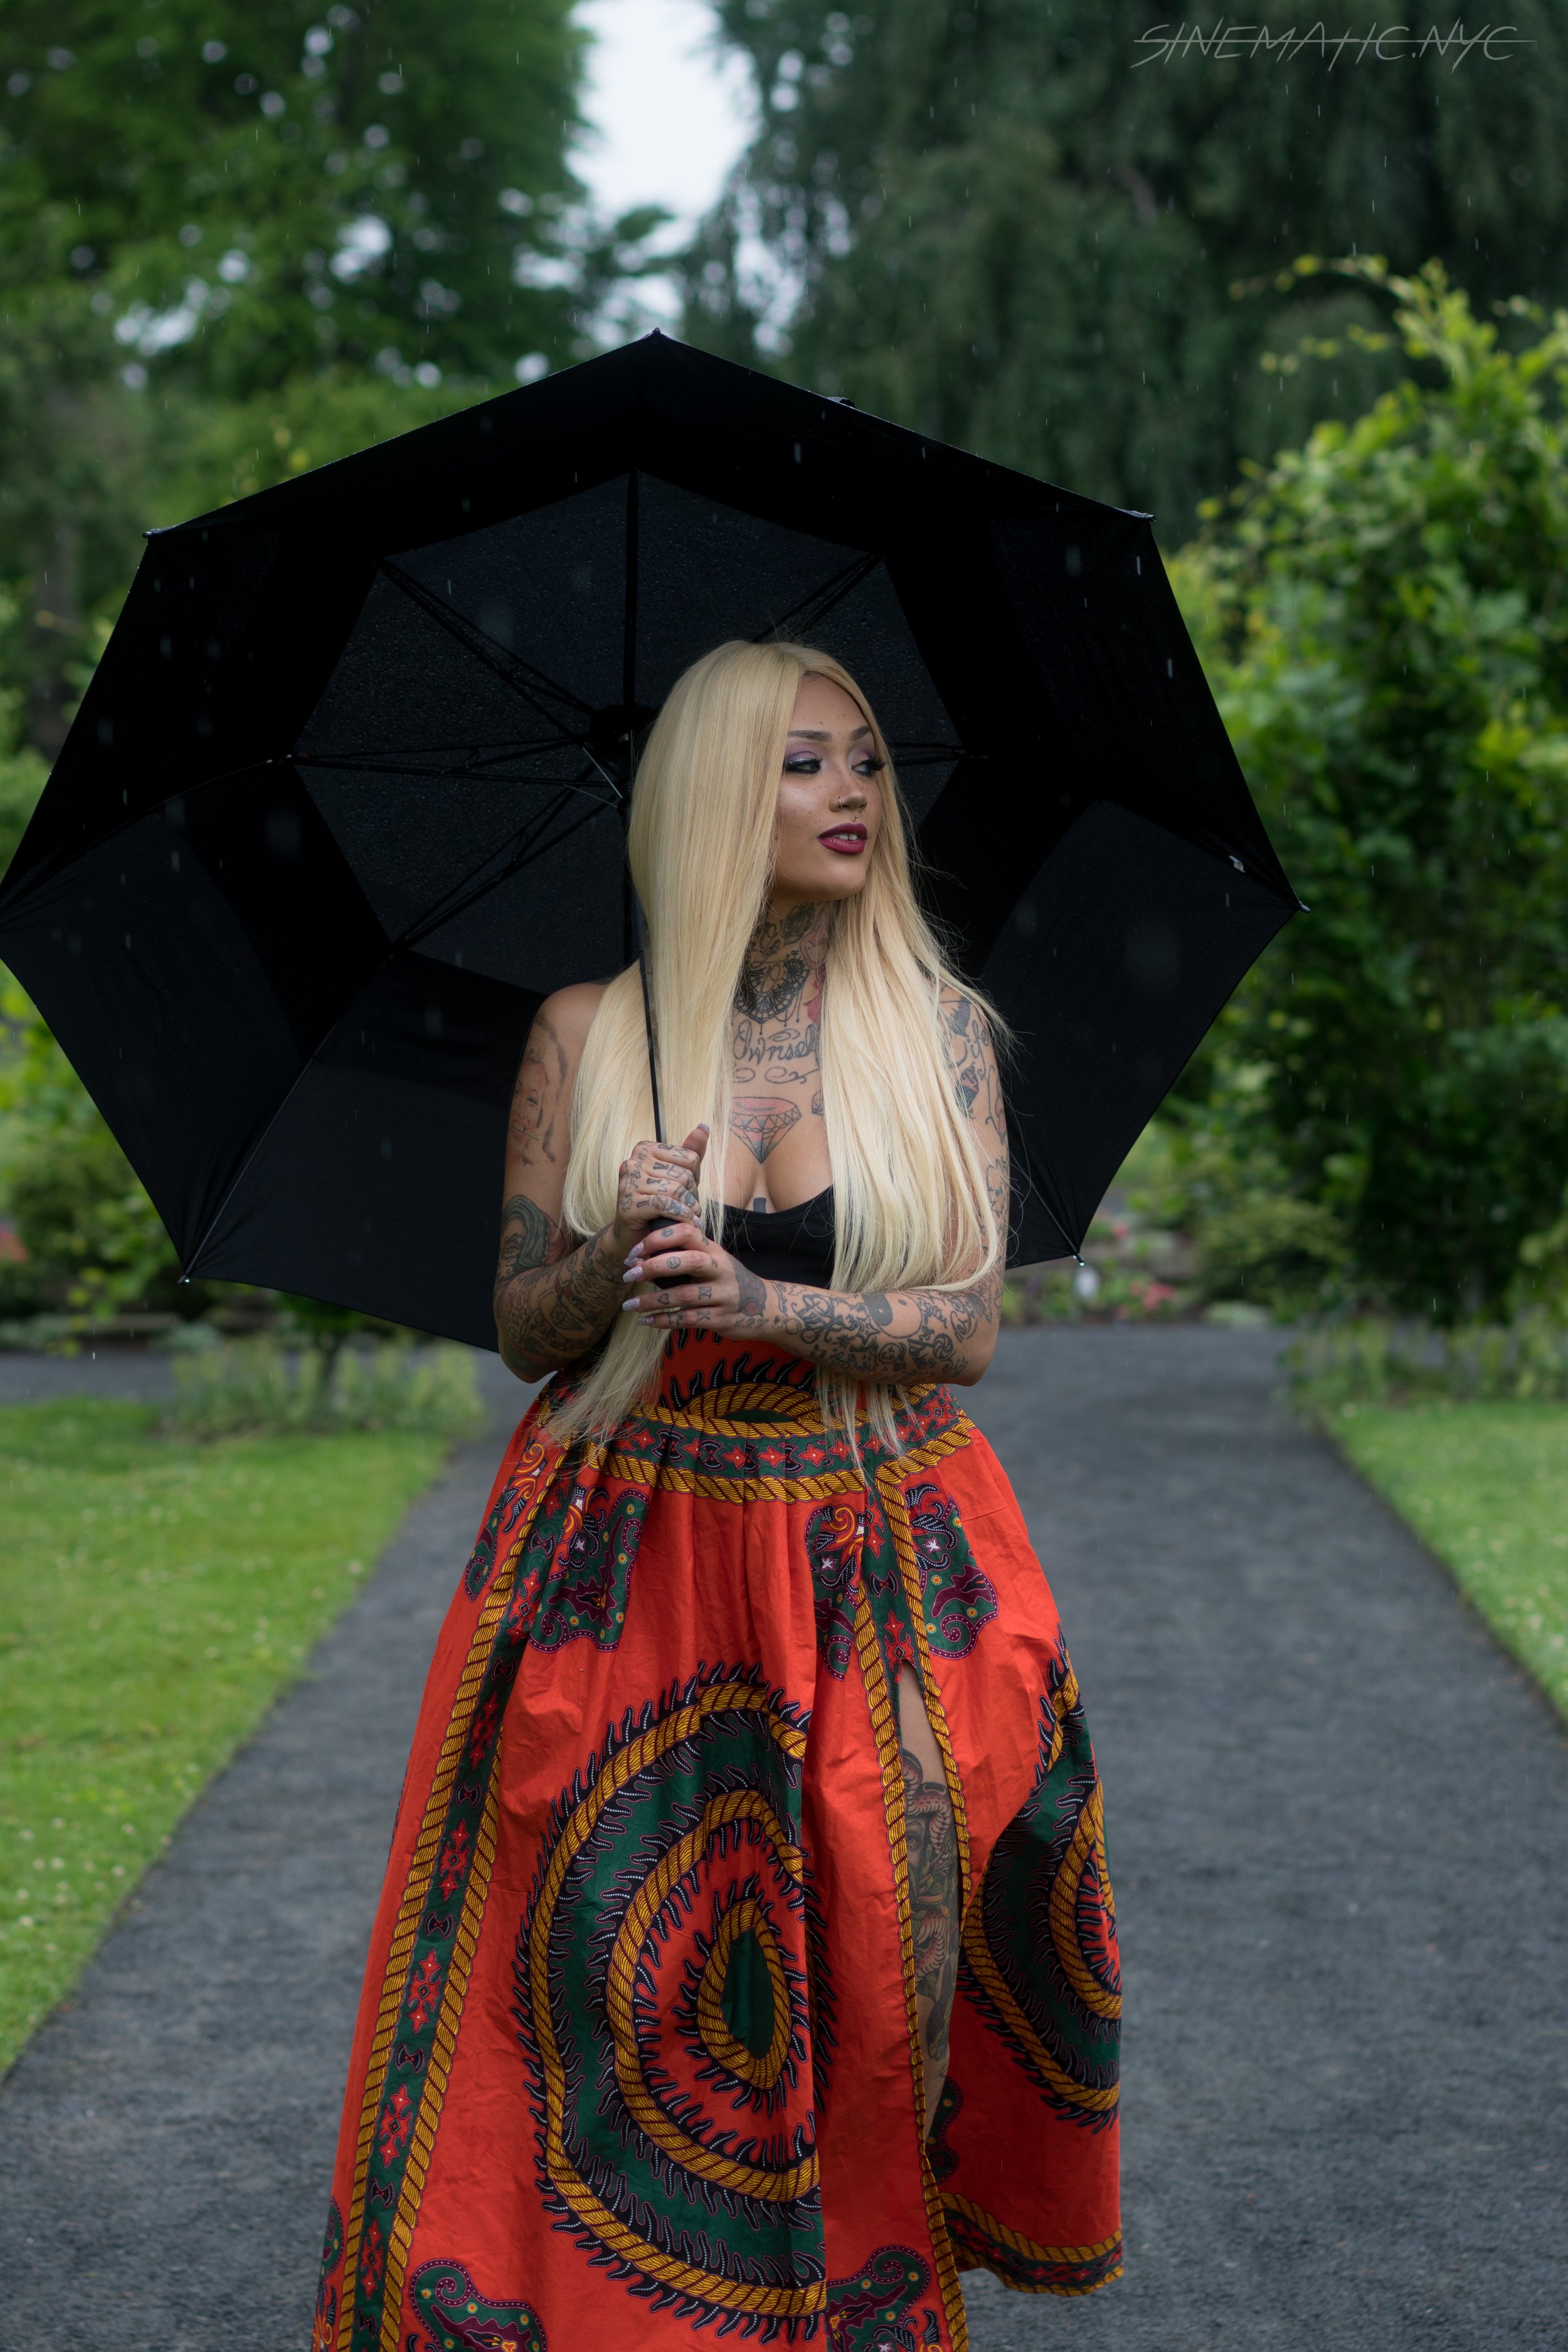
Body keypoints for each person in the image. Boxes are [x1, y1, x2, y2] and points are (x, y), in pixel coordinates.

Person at [314, 641, 1120, 2352]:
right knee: (617, 1968)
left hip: (878, 1553)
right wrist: (610, 1251)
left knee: (872, 1969)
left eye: (864, 765)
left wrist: (759, 1305)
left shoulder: (941, 1037)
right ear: (706, 797)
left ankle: (856, 2313)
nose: (850, 795)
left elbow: (963, 1329)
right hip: (631, 1557)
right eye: (800, 765)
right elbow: (524, 1324)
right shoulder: (587, 1035)